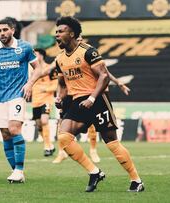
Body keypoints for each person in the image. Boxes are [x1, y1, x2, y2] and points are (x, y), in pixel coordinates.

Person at [54, 16, 144, 192]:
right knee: (64, 137)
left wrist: (92, 99)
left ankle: (136, 180)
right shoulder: (59, 59)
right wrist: (60, 98)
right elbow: (63, 84)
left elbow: (103, 76)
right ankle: (94, 172)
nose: (57, 35)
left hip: (97, 100)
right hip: (76, 101)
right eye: (56, 32)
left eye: (61, 31)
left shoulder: (88, 51)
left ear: (72, 34)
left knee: (111, 142)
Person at [0, 17, 43, 183]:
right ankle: (16, 172)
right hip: (0, 97)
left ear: (13, 30)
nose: (2, 33)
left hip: (17, 95)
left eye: (5, 30)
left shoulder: (24, 47)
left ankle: (19, 169)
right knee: (5, 134)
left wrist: (30, 84)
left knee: (14, 129)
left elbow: (38, 69)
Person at [53, 60, 131, 164]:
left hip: (87, 94)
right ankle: (61, 152)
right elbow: (60, 81)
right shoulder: (62, 58)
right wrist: (59, 96)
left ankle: (93, 151)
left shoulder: (87, 54)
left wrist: (118, 82)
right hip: (70, 94)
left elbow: (104, 72)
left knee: (93, 125)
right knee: (62, 122)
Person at [31, 48, 57, 157]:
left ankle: (46, 147)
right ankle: (50, 145)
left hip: (46, 99)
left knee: (44, 121)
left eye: (36, 54)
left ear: (41, 56)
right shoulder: (32, 69)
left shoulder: (49, 69)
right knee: (39, 125)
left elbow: (56, 84)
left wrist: (46, 89)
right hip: (35, 101)